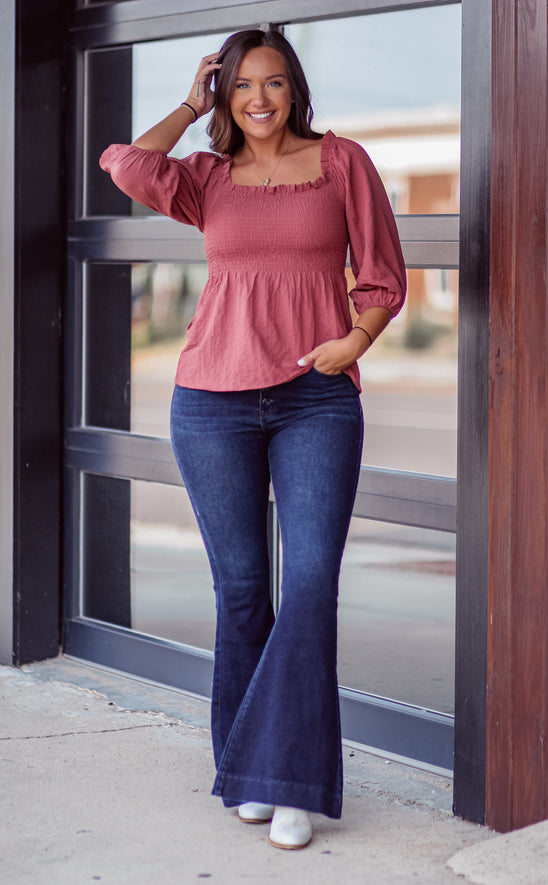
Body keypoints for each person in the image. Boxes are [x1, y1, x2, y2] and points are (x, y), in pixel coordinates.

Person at [100, 27, 406, 851]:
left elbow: (382, 271)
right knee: (241, 592)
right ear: (225, 96)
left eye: (272, 83)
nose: (259, 99)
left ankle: (286, 779)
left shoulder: (342, 162)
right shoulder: (207, 178)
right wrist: (187, 103)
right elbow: (125, 164)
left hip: (316, 398)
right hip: (211, 400)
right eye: (241, 87)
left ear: (294, 88)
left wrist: (357, 340)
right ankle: (249, 769)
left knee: (309, 585)